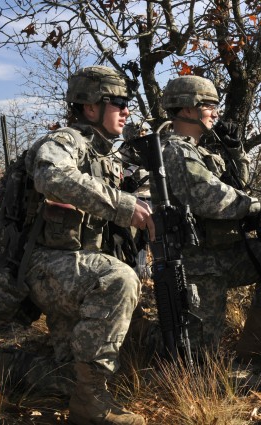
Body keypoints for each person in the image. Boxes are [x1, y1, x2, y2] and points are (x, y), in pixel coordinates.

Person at [24, 65, 154, 425]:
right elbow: (51, 177)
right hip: (46, 265)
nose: (126, 109)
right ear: (90, 106)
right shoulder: (65, 141)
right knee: (119, 280)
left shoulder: (109, 156)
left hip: (77, 267)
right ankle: (90, 403)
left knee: (63, 375)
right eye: (118, 102)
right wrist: (126, 207)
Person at [156, 75, 261, 360]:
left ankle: (253, 339)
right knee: (199, 359)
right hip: (196, 262)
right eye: (209, 105)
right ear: (187, 108)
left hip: (224, 254)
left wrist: (236, 150)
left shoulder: (202, 150)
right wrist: (249, 205)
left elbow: (237, 184)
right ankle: (141, 340)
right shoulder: (174, 150)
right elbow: (204, 195)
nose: (216, 112)